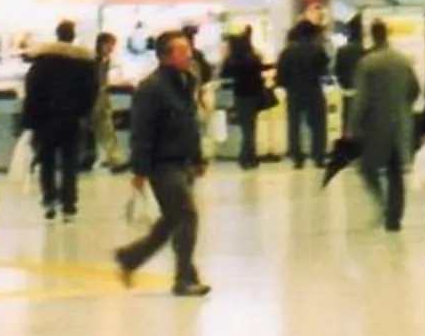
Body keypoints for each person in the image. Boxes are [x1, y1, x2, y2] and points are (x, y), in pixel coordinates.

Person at [115, 29, 211, 297]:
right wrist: (140, 169)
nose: (189, 55)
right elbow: (142, 131)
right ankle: (183, 279)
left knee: (174, 218)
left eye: (188, 49)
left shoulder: (186, 81)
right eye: (182, 51)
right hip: (162, 163)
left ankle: (131, 258)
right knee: (187, 215)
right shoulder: (151, 88)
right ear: (165, 57)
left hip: (183, 161)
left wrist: (198, 157)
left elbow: (190, 124)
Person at [20, 19, 98, 223]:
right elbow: (92, 92)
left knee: (47, 162)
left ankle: (49, 200)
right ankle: (69, 204)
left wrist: (29, 121)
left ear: (57, 35)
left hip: (45, 120)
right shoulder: (84, 63)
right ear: (73, 36)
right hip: (72, 120)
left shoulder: (42, 62)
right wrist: (84, 113)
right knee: (70, 162)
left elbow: (32, 91)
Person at [349, 19, 420, 232]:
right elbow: (415, 90)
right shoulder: (403, 61)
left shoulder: (367, 63)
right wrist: (403, 107)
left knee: (366, 168)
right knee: (395, 171)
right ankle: (394, 219)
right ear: (387, 34)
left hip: (374, 126)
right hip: (399, 123)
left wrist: (353, 124)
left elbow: (360, 98)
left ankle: (382, 203)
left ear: (371, 35)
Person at [276, 19, 331, 170]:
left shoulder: (287, 52)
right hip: (314, 90)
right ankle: (318, 156)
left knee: (294, 126)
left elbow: (280, 77)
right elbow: (325, 71)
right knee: (318, 125)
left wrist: (288, 85)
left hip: (294, 92)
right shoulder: (318, 49)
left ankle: (297, 158)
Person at [222, 27, 274, 171]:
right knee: (250, 129)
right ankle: (247, 157)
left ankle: (247, 157)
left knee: (246, 129)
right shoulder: (252, 58)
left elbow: (224, 75)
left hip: (239, 96)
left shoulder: (231, 60)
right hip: (253, 96)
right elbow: (260, 71)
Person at [91, 31, 124, 172]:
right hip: (95, 98)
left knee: (106, 129)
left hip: (100, 98)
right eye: (110, 45)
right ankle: (114, 159)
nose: (112, 49)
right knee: (105, 129)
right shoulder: (95, 61)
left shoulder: (104, 60)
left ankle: (115, 159)